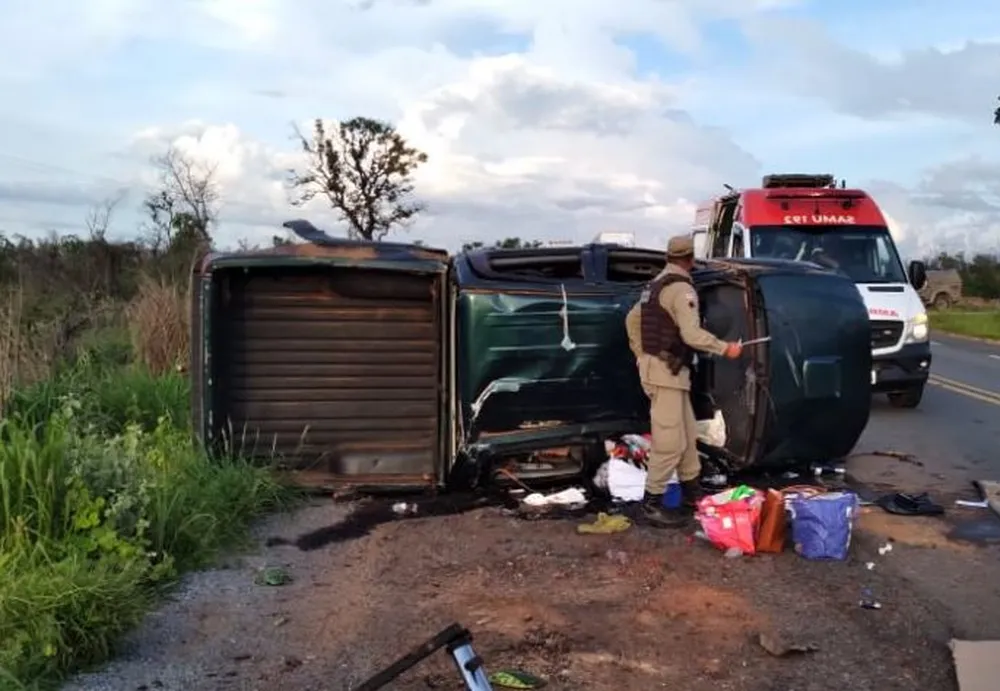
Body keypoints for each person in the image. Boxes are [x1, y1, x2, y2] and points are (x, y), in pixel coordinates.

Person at [625, 235, 743, 527]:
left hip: (666, 373)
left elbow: (631, 320)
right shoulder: (680, 288)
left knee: (687, 435)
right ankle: (651, 504)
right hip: (665, 375)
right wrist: (725, 348)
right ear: (690, 259)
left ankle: (693, 495)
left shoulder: (654, 285)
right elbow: (691, 336)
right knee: (669, 442)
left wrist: (641, 354)